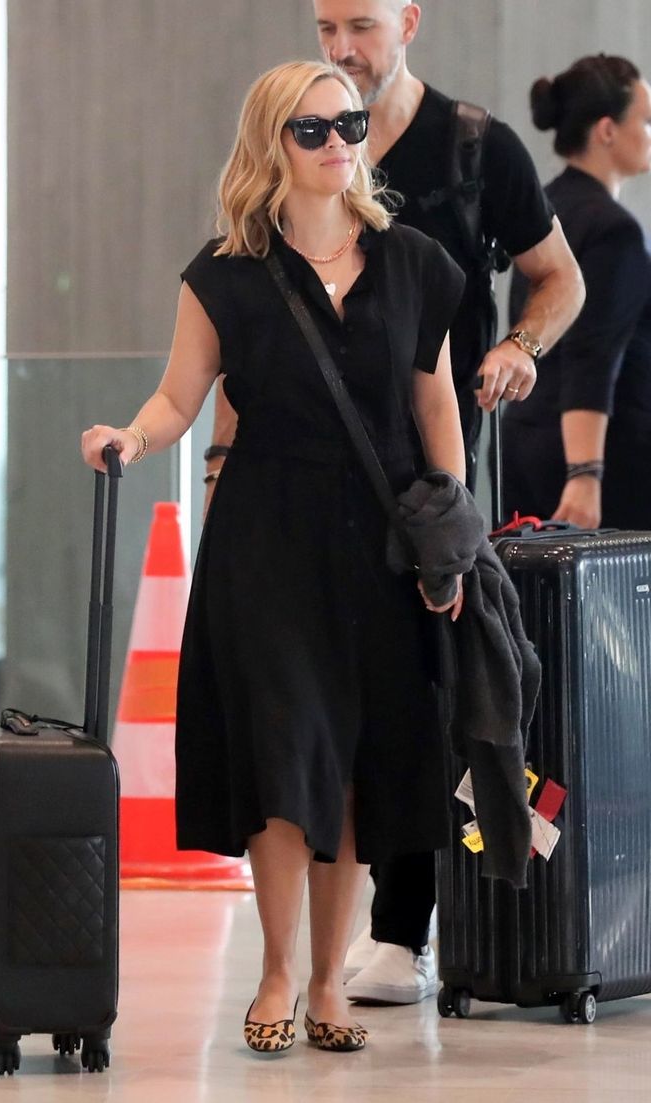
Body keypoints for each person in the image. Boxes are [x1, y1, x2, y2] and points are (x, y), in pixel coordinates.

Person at [83, 58, 471, 1054]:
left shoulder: (414, 262)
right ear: (271, 145)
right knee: (284, 748)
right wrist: (128, 437)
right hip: (267, 540)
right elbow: (180, 396)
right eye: (312, 129)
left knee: (351, 766)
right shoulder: (224, 275)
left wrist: (450, 532)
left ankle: (332, 979)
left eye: (349, 123)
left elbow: (434, 404)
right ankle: (276, 967)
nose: (338, 141)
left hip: (383, 545)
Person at [202, 0, 586, 1008]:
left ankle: (404, 926)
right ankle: (364, 943)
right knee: (328, 704)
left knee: (425, 689)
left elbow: (559, 280)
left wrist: (517, 347)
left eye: (361, 25)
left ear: (408, 22)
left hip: (431, 476)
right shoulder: (292, 173)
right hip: (310, 491)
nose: (341, 47)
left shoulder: (474, 147)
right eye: (326, 25)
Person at [504, 55, 651, 529]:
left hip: (527, 445)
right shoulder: (614, 231)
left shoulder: (545, 207)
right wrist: (585, 472)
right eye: (646, 120)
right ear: (607, 130)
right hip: (596, 461)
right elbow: (593, 354)